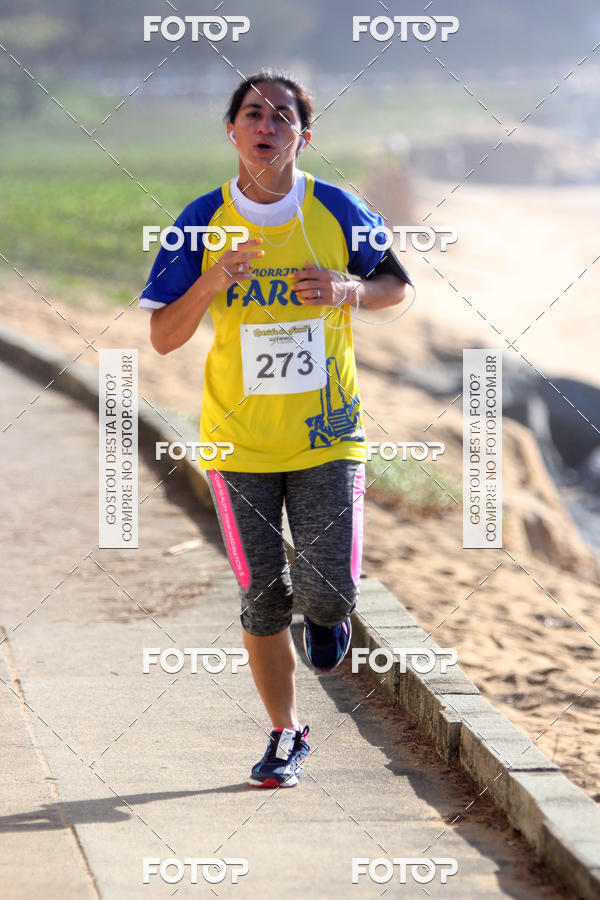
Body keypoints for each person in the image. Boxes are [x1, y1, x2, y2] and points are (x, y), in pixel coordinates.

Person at [139, 70, 412, 788]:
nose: (267, 124)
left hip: (327, 434)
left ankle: (329, 614)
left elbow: (398, 288)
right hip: (238, 443)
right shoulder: (201, 221)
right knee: (261, 597)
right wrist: (209, 281)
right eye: (253, 112)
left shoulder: (336, 208)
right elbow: (164, 337)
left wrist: (349, 290)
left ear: (303, 135)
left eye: (283, 116)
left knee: (325, 598)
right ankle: (287, 734)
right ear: (231, 130)